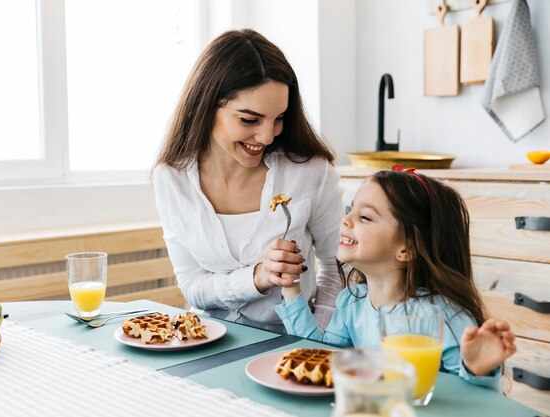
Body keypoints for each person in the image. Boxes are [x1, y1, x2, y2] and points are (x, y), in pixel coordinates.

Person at [153, 29, 343, 332]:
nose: (267, 136)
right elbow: (192, 286)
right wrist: (256, 277)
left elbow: (337, 268)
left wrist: (316, 339)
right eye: (249, 119)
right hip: (203, 339)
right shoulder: (172, 178)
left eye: (279, 118)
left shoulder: (310, 173)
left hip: (289, 345)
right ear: (206, 106)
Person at [276, 167, 516, 389]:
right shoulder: (351, 301)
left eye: (365, 217)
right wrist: (291, 291)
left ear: (407, 249)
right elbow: (324, 355)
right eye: (350, 210)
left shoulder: (442, 315)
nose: (345, 220)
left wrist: (477, 369)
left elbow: (475, 401)